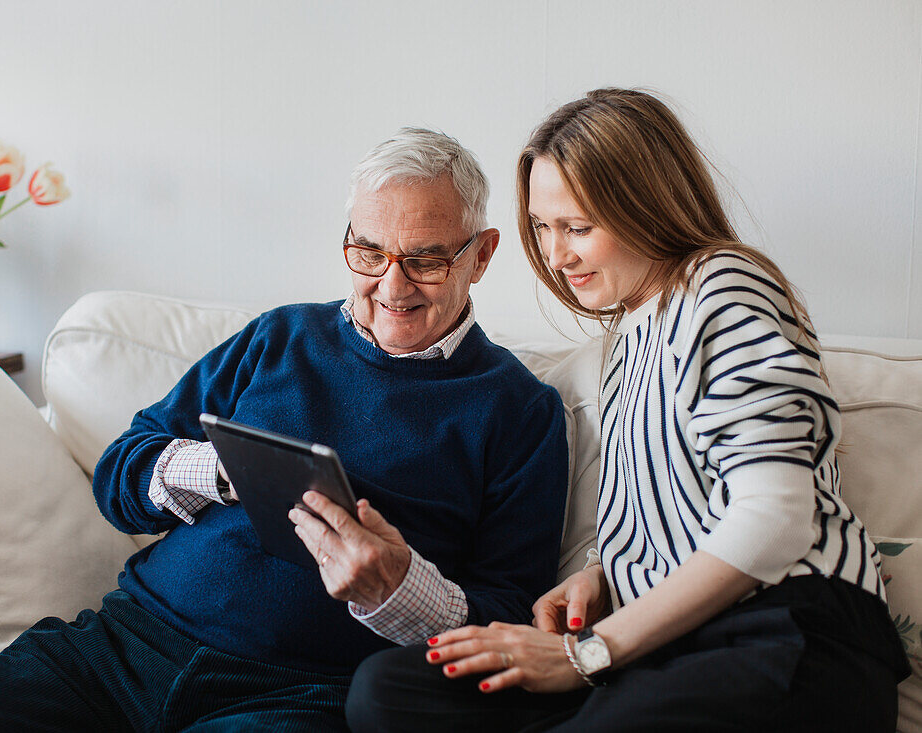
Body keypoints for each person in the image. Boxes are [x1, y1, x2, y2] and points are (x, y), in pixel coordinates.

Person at [0, 128, 568, 732]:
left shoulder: (519, 411)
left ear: (481, 254)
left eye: (425, 258)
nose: (391, 283)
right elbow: (120, 474)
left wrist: (395, 587)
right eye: (369, 251)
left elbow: (512, 623)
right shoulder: (279, 337)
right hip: (125, 644)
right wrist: (217, 469)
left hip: (301, 692)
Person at [345, 89, 911, 732]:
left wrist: (586, 655)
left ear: (647, 206)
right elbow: (674, 501)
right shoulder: (623, 344)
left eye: (578, 228)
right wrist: (602, 575)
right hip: (662, 651)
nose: (557, 257)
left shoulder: (721, 285)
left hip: (784, 632)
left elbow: (775, 518)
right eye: (542, 228)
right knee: (389, 692)